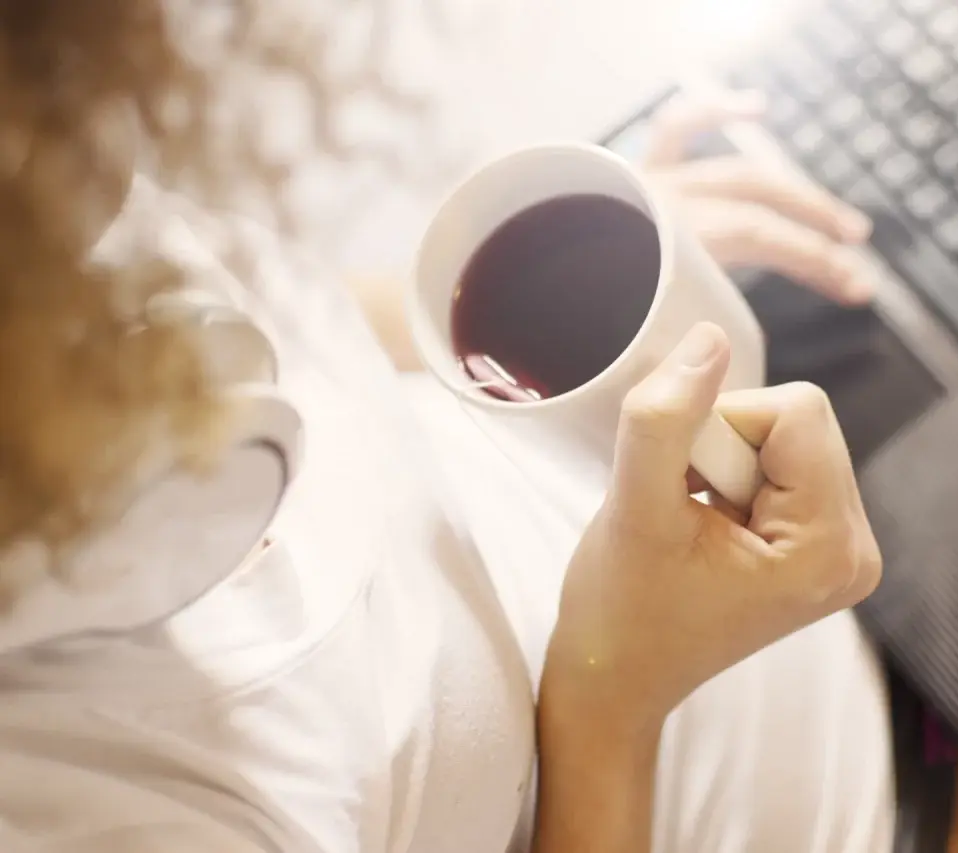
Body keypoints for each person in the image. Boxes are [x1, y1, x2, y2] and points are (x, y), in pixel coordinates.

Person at [0, 3, 892, 852]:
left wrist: (577, 268)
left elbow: (293, 317)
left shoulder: (45, 166)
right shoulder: (92, 805)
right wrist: (609, 695)